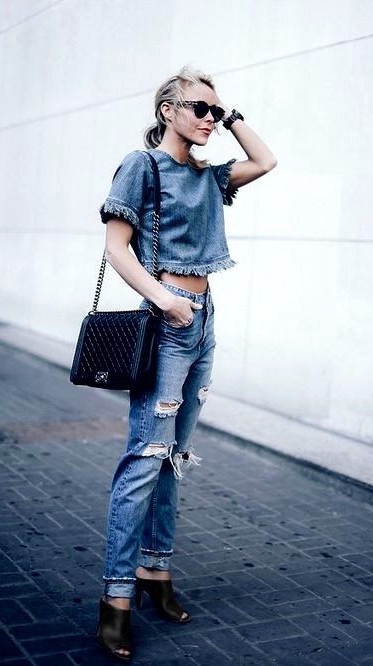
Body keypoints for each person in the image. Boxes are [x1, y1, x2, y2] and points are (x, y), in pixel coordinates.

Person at [96, 66, 277, 661]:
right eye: (201, 108)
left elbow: (266, 160)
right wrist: (165, 300)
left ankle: (156, 571)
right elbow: (116, 248)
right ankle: (116, 597)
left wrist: (232, 115)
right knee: (144, 459)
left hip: (204, 322)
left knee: (174, 458)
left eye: (215, 112)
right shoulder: (142, 166)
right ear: (167, 110)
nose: (210, 120)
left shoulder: (209, 176)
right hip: (167, 318)